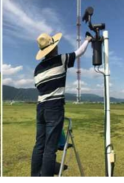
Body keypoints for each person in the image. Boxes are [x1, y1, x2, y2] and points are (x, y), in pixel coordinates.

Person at [31, 32, 91, 176]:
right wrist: (88, 40)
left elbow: (38, 87)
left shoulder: (37, 69)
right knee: (50, 147)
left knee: (39, 145)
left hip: (40, 108)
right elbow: (80, 52)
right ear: (52, 49)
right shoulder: (61, 59)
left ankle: (34, 176)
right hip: (54, 107)